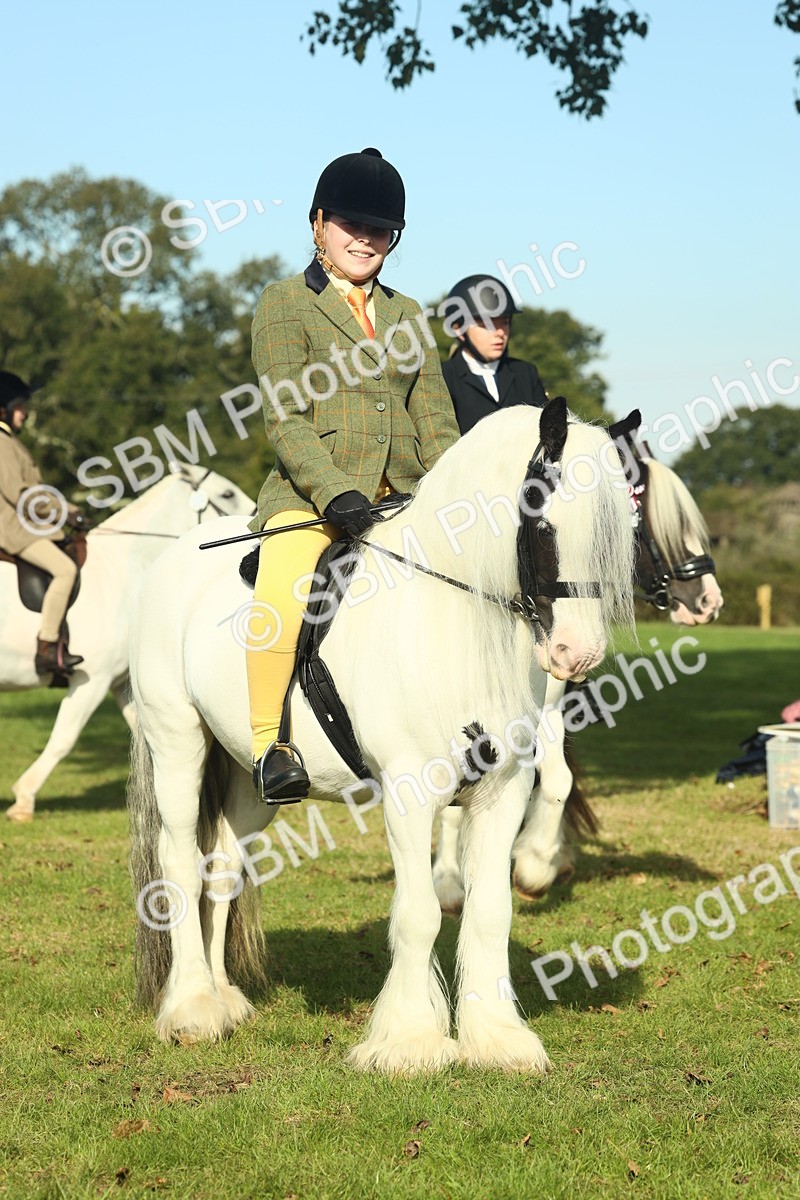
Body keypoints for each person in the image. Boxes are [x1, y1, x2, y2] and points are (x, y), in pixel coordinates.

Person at [246, 147, 461, 804]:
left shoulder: (407, 313)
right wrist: (334, 488)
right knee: (284, 587)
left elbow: (435, 418)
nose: (365, 239)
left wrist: (454, 489)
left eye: (379, 230)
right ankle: (268, 744)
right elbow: (285, 413)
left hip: (400, 498)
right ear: (318, 223)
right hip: (312, 498)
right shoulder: (285, 303)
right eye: (350, 225)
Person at [0, 371, 85, 674]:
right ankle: (46, 648)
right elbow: (19, 493)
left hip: (24, 524)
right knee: (65, 570)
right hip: (13, 529)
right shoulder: (1, 442)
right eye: (20, 406)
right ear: (4, 409)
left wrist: (70, 508)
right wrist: (63, 512)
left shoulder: (10, 441)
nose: (25, 412)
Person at [442, 275, 548, 434]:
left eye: (504, 322)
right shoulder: (443, 377)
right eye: (488, 324)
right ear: (458, 328)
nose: (500, 332)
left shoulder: (526, 373)